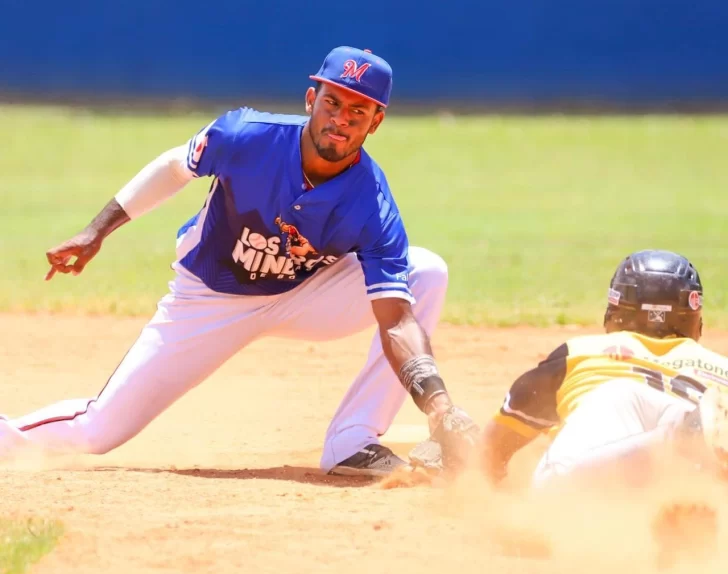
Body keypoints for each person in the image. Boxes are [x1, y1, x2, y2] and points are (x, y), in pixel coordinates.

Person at [0, 46, 479, 477]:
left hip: (304, 294)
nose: (341, 118)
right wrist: (96, 229)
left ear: (376, 122)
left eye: (358, 110)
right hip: (210, 298)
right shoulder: (246, 136)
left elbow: (396, 319)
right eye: (333, 101)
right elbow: (173, 168)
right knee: (97, 431)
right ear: (311, 99)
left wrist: (439, 407)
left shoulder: (373, 205)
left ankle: (352, 441)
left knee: (426, 271)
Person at [475, 249, 728, 489]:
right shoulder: (722, 367)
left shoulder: (580, 351)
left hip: (618, 407)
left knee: (553, 487)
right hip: (695, 432)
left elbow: (493, 450)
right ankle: (684, 444)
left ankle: (678, 436)